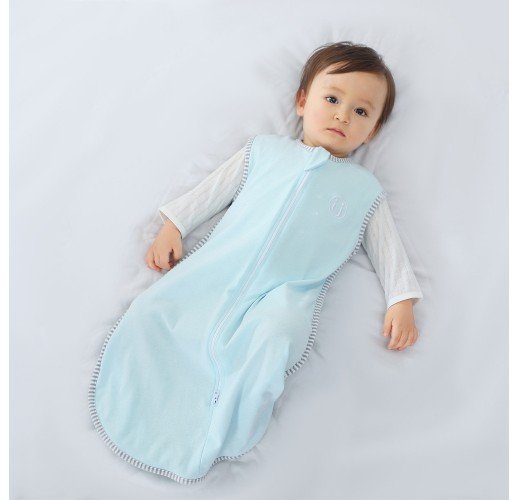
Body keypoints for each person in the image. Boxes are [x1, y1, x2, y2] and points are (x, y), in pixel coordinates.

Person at [145, 41, 423, 351]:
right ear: (302, 102)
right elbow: (213, 190)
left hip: (287, 291)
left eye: (361, 111)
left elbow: (388, 247)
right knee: (161, 309)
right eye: (332, 99)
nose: (342, 116)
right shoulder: (265, 150)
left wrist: (401, 300)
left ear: (372, 131)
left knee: (277, 333)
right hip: (227, 262)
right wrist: (174, 225)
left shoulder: (363, 189)